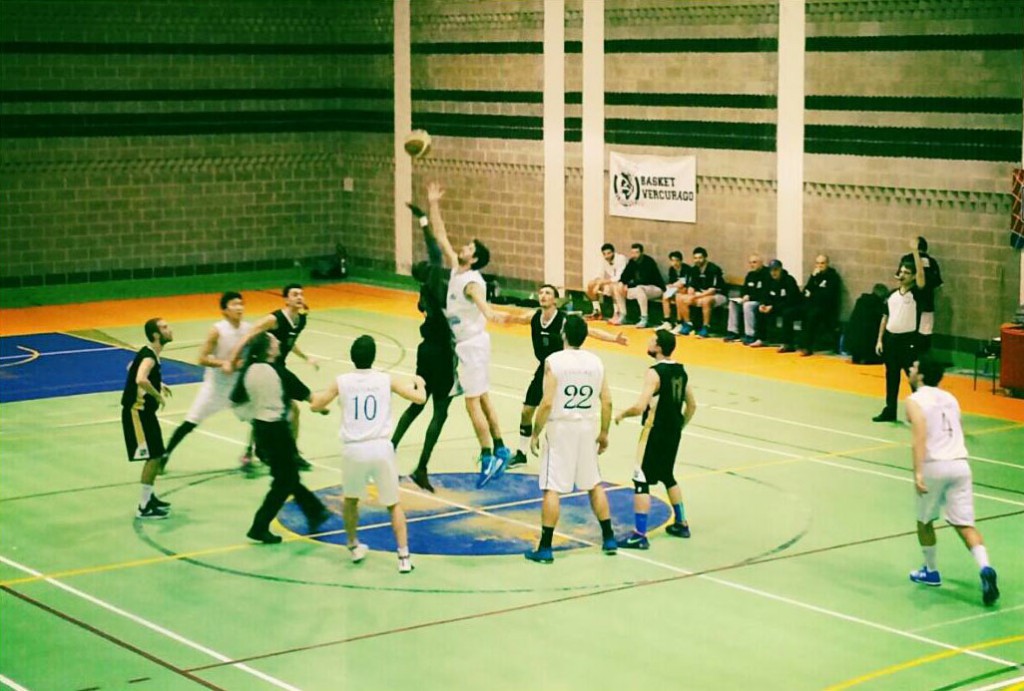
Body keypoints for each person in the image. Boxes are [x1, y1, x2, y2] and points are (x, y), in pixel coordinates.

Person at [428, 180, 517, 488]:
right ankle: (501, 447)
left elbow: (482, 304)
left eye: (468, 248)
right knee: (483, 397)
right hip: (470, 345)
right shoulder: (457, 268)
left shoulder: (472, 282)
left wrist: (495, 315)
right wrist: (433, 203)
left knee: (471, 403)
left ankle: (487, 455)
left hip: (472, 346)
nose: (462, 248)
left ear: (475, 258)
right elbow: (440, 235)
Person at [311, 335, 426, 573]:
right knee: (393, 504)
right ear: (374, 357)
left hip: (354, 450)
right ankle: (404, 557)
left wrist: (319, 405)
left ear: (352, 357)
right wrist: (420, 383)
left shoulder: (341, 381)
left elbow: (316, 404)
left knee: (351, 500)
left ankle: (353, 546)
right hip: (381, 448)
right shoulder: (386, 379)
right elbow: (419, 398)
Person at [524, 315, 619, 562]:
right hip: (587, 427)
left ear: (563, 333)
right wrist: (604, 432)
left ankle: (545, 547)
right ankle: (609, 537)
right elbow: (607, 401)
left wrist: (535, 433)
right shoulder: (596, 362)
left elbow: (546, 403)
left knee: (552, 487)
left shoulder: (554, 361)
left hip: (561, 428)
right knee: (593, 483)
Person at [905, 357, 999, 606]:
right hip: (960, 465)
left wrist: (918, 472)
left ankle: (931, 571)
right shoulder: (951, 398)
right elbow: (958, 428)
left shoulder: (914, 400)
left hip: (934, 465)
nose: (911, 370)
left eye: (914, 367)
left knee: (924, 521)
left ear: (921, 375)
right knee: (965, 524)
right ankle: (985, 567)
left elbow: (919, 435)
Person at [512, 284, 628, 468]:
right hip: (545, 369)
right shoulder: (533, 317)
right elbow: (510, 317)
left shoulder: (564, 320)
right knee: (526, 411)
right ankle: (521, 452)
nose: (543, 295)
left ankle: (569, 456)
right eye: (541, 292)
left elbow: (590, 330)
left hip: (562, 369)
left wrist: (614, 338)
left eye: (548, 293)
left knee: (559, 412)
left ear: (555, 300)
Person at [234, 332, 330, 544]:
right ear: (269, 349)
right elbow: (309, 397)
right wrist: (323, 409)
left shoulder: (248, 370)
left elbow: (236, 399)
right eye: (274, 341)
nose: (278, 342)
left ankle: (315, 511)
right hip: (277, 432)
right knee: (284, 481)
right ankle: (259, 526)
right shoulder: (279, 372)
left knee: (288, 476)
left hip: (260, 431)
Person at [390, 202, 457, 493]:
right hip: (441, 354)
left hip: (425, 351)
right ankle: (421, 468)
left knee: (417, 405)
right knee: (440, 412)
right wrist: (423, 220)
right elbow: (434, 250)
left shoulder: (424, 291)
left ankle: (389, 449)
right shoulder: (435, 281)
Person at [615, 330, 697, 549]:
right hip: (673, 431)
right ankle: (681, 523)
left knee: (641, 479)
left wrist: (622, 414)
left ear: (659, 348)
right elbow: (692, 405)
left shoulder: (654, 373)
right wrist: (680, 425)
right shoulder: (681, 371)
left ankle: (639, 535)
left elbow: (640, 406)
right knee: (667, 475)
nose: (648, 342)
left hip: (654, 431)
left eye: (652, 340)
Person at [228, 284, 319, 472]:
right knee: (282, 411)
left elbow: (289, 342)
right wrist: (233, 360)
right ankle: (272, 453)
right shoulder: (274, 319)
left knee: (280, 412)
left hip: (278, 369)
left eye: (301, 294)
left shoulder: (300, 321)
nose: (299, 297)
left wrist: (306, 357)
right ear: (286, 300)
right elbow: (248, 335)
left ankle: (278, 452)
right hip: (262, 369)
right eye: (295, 294)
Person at [160, 292, 252, 472]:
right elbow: (202, 359)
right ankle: (164, 456)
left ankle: (249, 454)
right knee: (190, 421)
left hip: (238, 388)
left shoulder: (249, 329)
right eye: (234, 304)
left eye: (241, 304)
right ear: (225, 310)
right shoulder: (217, 330)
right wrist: (224, 363)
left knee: (259, 419)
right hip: (215, 388)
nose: (239, 308)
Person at [122, 318, 175, 519]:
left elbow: (131, 367)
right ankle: (143, 507)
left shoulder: (149, 353)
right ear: (156, 335)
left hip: (145, 413)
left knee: (157, 454)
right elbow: (140, 378)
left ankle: (149, 498)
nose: (169, 330)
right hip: (137, 412)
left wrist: (159, 383)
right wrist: (157, 395)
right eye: (165, 327)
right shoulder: (150, 356)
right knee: (153, 456)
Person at [873, 241, 926, 422]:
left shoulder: (917, 294)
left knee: (912, 377)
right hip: (891, 340)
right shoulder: (892, 295)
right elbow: (885, 317)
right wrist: (880, 340)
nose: (902, 275)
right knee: (891, 376)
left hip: (907, 341)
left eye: (907, 272)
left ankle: (921, 411)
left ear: (913, 276)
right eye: (901, 271)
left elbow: (922, 278)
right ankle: (890, 410)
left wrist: (915, 252)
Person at [779, 254, 841, 355]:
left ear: (827, 264)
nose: (820, 266)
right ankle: (787, 343)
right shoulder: (814, 276)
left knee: (811, 315)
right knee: (788, 313)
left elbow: (827, 296)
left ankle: (806, 347)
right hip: (810, 305)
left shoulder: (833, 277)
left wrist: (813, 294)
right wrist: (813, 278)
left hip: (825, 308)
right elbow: (806, 291)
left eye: (822, 263)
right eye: (817, 263)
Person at [897, 237, 943, 351]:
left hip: (909, 302)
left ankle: (908, 354)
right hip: (927, 303)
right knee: (924, 333)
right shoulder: (932, 262)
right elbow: (937, 283)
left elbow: (899, 277)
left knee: (907, 331)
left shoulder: (907, 260)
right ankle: (921, 355)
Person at [674, 246, 727, 338]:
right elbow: (691, 286)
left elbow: (712, 290)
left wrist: (696, 297)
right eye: (695, 258)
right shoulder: (694, 269)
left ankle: (706, 327)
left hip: (718, 295)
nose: (697, 260)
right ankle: (688, 324)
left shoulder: (714, 269)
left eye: (700, 258)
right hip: (700, 294)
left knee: (706, 301)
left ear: (705, 258)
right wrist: (690, 294)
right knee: (680, 298)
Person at [611, 243, 665, 328]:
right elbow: (625, 275)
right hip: (639, 289)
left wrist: (628, 286)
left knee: (640, 289)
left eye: (637, 252)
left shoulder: (648, 262)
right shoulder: (632, 262)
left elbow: (644, 280)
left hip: (655, 288)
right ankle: (623, 314)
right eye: (632, 253)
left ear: (641, 253)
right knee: (617, 287)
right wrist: (622, 283)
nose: (634, 255)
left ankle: (644, 318)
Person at [749, 259, 800, 348]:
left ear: (780, 269)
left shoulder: (789, 280)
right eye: (771, 270)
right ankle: (761, 338)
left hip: (791, 306)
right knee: (759, 310)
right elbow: (764, 295)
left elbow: (791, 300)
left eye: (776, 270)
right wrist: (762, 304)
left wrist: (773, 307)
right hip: (775, 306)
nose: (773, 273)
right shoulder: (769, 280)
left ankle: (787, 343)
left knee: (787, 313)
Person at [723, 253, 768, 344]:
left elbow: (764, 293)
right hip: (748, 300)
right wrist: (743, 296)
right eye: (750, 263)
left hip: (760, 301)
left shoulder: (766, 275)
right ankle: (733, 331)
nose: (752, 265)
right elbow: (744, 289)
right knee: (733, 303)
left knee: (747, 305)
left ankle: (750, 334)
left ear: (761, 263)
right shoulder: (750, 275)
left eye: (754, 262)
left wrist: (750, 297)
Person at [586, 243, 628, 321]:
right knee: (591, 284)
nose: (607, 256)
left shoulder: (621, 259)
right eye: (604, 254)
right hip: (609, 282)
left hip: (622, 283)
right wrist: (597, 282)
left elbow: (619, 277)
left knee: (614, 287)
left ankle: (617, 312)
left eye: (609, 253)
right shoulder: (604, 260)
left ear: (613, 252)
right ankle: (597, 311)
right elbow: (599, 274)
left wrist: (600, 283)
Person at [656, 251, 691, 332]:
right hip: (675, 289)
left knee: (678, 296)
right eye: (672, 261)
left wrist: (677, 285)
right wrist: (671, 285)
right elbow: (671, 282)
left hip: (685, 290)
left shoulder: (687, 269)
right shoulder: (671, 269)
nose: (674, 263)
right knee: (665, 296)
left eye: (677, 260)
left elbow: (686, 283)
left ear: (681, 261)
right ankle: (667, 321)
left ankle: (679, 323)